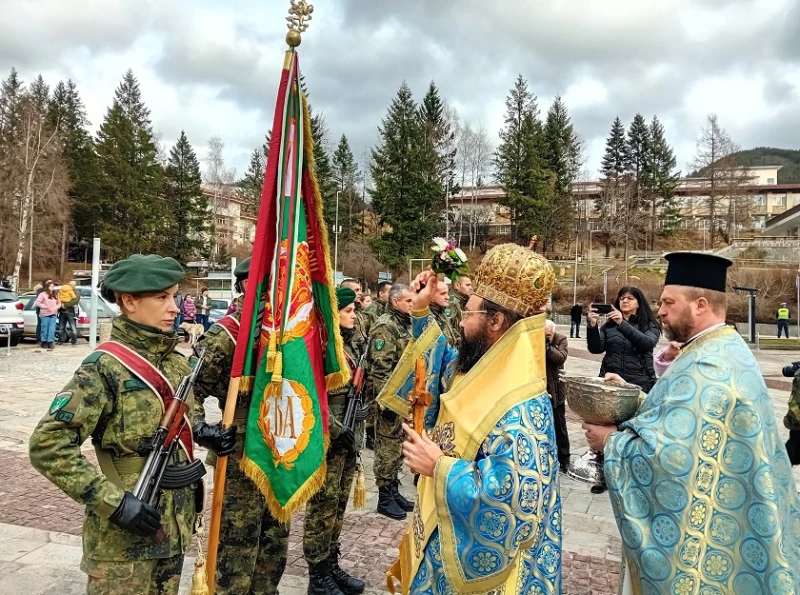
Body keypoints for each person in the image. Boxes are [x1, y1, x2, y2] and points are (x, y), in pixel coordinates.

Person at [583, 252, 800, 595]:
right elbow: (681, 417)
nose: (661, 310)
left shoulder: (708, 367)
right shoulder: (716, 349)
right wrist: (631, 398)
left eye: (669, 302)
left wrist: (610, 442)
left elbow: (672, 459)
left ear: (700, 305)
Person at [385, 244, 562, 595]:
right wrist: (420, 313)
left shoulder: (525, 402)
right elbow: (441, 365)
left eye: (468, 313)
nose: (462, 321)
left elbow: (517, 498)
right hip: (445, 535)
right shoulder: (481, 367)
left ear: (495, 322)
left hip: (487, 574)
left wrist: (441, 468)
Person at [28, 254, 203, 594]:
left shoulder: (177, 364)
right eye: (161, 297)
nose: (174, 307)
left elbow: (184, 426)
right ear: (129, 301)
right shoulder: (105, 367)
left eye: (175, 296)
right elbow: (47, 445)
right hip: (122, 545)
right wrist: (114, 502)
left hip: (171, 531)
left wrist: (205, 432)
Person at [192, 257, 289, 595]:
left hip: (280, 451)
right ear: (246, 286)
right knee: (237, 544)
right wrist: (203, 430)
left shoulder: (285, 334)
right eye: (266, 284)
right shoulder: (227, 335)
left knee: (274, 539)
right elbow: (187, 388)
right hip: (239, 455)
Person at [303, 287, 367, 595]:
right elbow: (310, 399)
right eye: (348, 310)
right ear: (333, 314)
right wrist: (337, 430)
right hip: (327, 443)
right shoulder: (322, 349)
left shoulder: (348, 347)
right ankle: (317, 576)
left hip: (346, 442)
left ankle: (330, 564)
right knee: (323, 508)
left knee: (339, 506)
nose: (354, 314)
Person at [574, 286, 661, 493]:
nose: (625, 302)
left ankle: (633, 475)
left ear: (639, 302)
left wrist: (623, 324)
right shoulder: (610, 326)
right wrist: (593, 325)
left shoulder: (649, 325)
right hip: (611, 383)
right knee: (607, 429)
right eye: (622, 298)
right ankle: (604, 476)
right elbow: (596, 348)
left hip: (638, 383)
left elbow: (646, 343)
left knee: (632, 430)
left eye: (630, 298)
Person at [367, 283, 414, 520]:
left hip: (402, 397)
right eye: (408, 301)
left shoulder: (404, 324)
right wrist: (385, 402)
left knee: (397, 447)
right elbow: (380, 369)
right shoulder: (386, 326)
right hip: (389, 400)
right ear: (395, 301)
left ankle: (394, 490)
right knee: (387, 448)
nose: (412, 304)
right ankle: (384, 497)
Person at [545, 319, 570, 473]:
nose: (546, 335)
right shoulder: (536, 338)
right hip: (542, 387)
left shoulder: (560, 339)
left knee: (560, 426)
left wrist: (547, 345)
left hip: (556, 389)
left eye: (548, 334)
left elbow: (560, 358)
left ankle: (565, 459)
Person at [340, 279, 370, 351]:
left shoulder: (359, 311)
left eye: (360, 290)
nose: (360, 293)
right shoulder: (341, 310)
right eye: (357, 290)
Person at [428, 278, 459, 347]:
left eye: (447, 293)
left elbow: (453, 336)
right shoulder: (427, 319)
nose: (447, 297)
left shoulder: (441, 313)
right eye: (443, 294)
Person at [35, 281, 61, 351]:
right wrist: (44, 306)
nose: (52, 288)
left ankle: (50, 341)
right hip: (45, 314)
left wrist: (56, 307)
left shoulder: (55, 294)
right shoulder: (42, 294)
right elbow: (38, 303)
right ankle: (44, 341)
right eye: (50, 286)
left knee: (51, 329)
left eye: (53, 286)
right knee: (44, 328)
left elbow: (59, 303)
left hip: (53, 314)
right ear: (47, 287)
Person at [57, 280, 80, 346]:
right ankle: (60, 340)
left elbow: (75, 301)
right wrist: (61, 305)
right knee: (61, 328)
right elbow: (59, 297)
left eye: (73, 285)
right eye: (71, 284)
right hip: (62, 311)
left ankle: (74, 341)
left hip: (71, 312)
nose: (72, 286)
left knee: (73, 328)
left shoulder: (76, 292)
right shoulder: (63, 290)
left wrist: (65, 305)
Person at [35, 277, 52, 346]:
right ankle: (39, 339)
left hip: (50, 311)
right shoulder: (40, 291)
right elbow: (39, 301)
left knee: (49, 326)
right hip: (41, 310)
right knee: (40, 324)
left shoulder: (52, 290)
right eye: (48, 282)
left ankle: (48, 340)